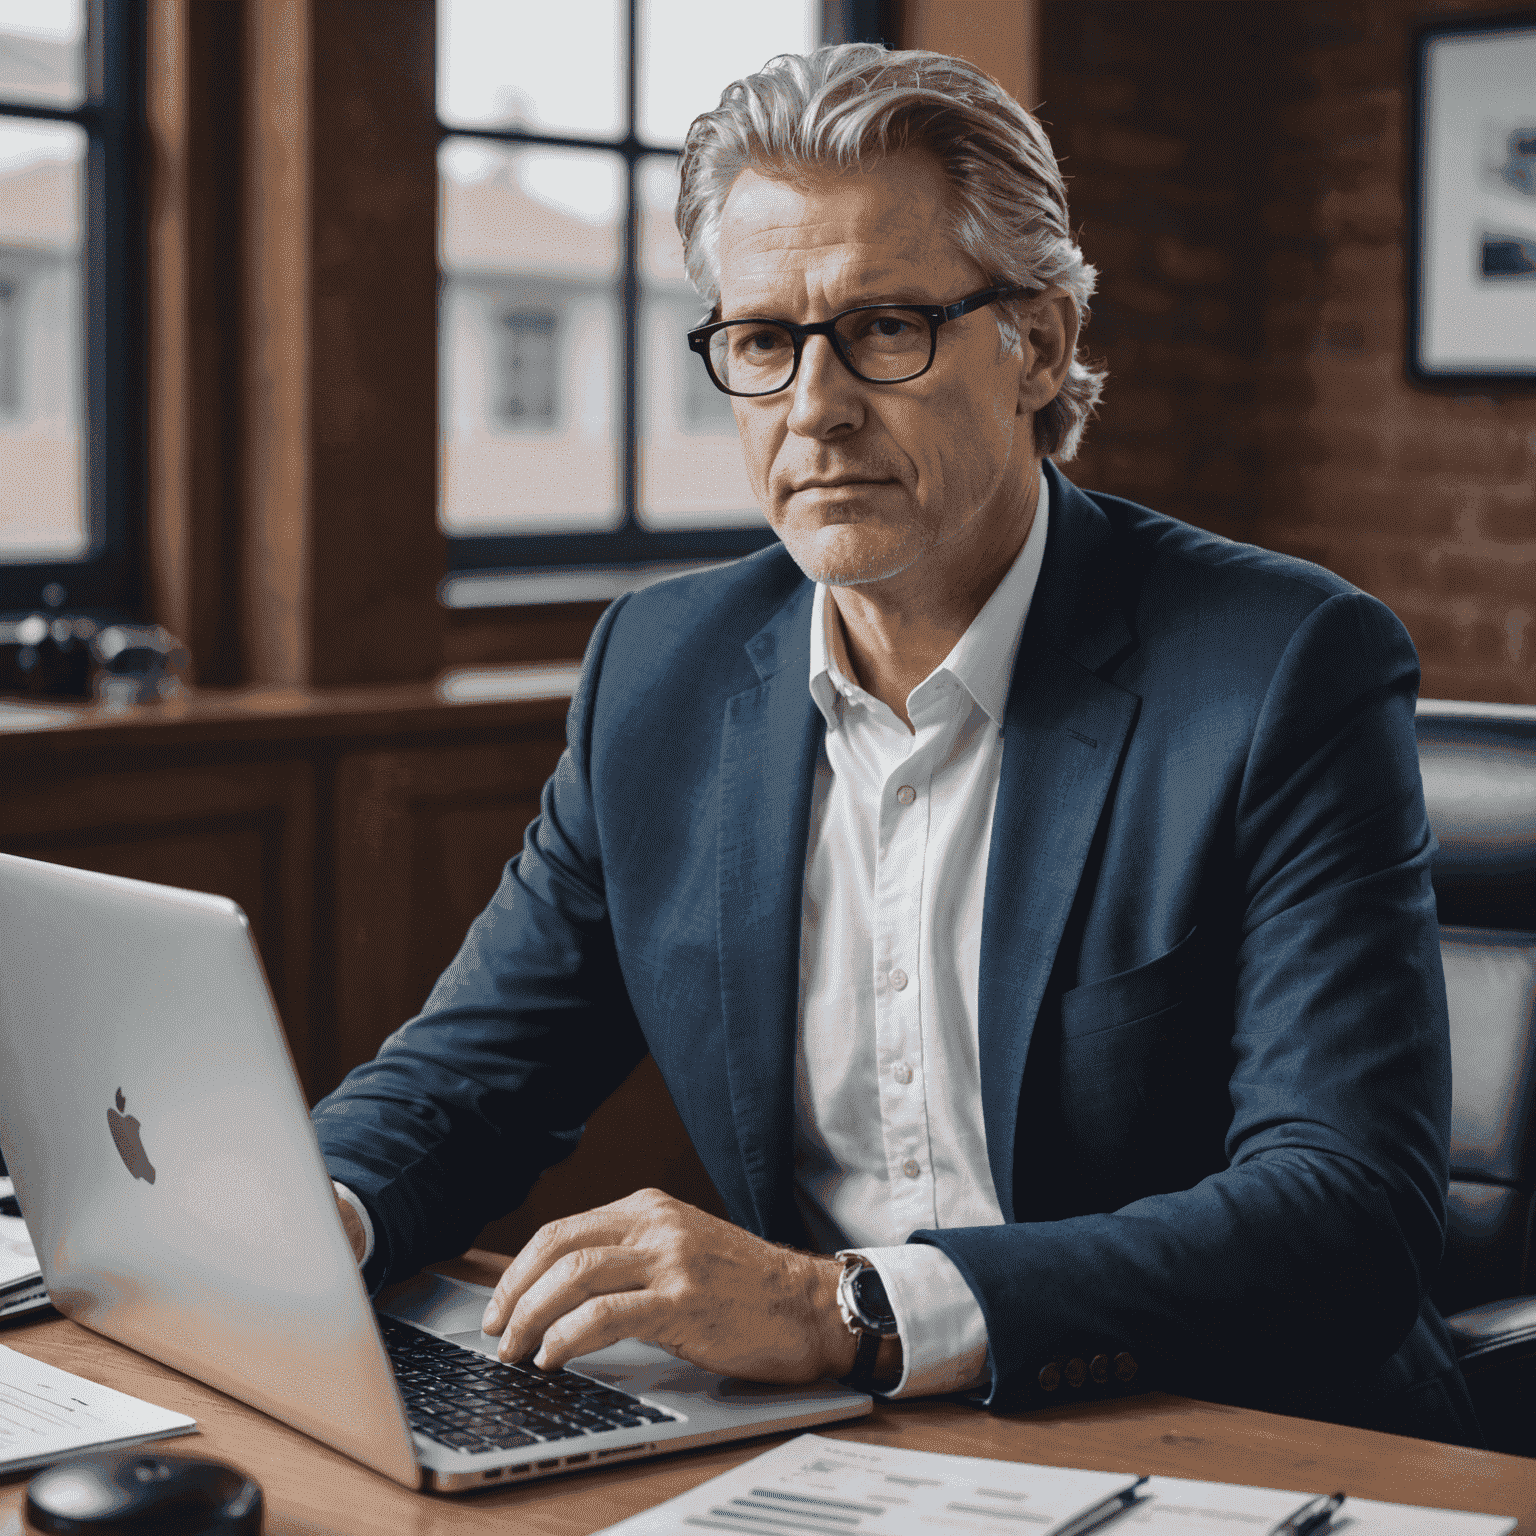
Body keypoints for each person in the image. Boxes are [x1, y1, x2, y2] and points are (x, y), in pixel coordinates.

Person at [314, 43, 1480, 1443]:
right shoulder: (660, 673)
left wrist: (846, 1311)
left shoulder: (1283, 669)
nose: (813, 409)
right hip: (831, 1452)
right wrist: (302, 1215)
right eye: (761, 341)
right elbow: (467, 1079)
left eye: (884, 328)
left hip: (1227, 1432)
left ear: (1036, 346)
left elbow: (1346, 1210)